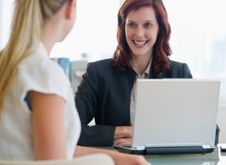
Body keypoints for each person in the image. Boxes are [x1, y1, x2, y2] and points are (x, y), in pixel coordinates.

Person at [0, 0, 149, 164]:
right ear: (70, 8)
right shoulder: (44, 73)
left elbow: (55, 150)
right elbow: (54, 162)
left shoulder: (8, 63)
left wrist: (118, 158)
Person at [75, 0, 219, 146]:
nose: (139, 34)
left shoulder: (179, 72)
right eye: (132, 24)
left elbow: (211, 133)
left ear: (159, 30)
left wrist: (150, 138)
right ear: (123, 28)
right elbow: (68, 129)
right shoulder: (98, 73)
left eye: (148, 25)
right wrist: (124, 131)